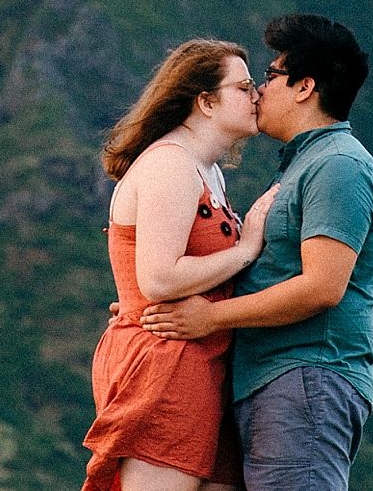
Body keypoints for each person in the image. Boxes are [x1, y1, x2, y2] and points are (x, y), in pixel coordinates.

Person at [141, 15, 373, 491]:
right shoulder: (304, 164)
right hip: (274, 381)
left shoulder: (338, 165)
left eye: (270, 77)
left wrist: (210, 318)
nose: (259, 91)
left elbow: (321, 287)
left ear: (304, 87)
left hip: (307, 376)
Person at [84, 38, 280, 491]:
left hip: (202, 359)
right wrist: (246, 248)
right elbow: (159, 278)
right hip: (167, 361)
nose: (257, 96)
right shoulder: (170, 166)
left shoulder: (204, 169)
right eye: (244, 87)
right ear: (205, 102)